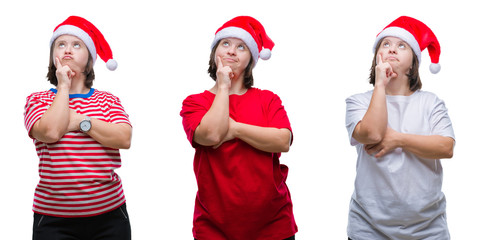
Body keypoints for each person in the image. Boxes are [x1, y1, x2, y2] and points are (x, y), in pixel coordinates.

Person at [180, 16, 297, 240]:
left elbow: (282, 140)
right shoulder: (195, 102)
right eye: (225, 44)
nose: (232, 51)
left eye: (241, 46)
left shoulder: (267, 99)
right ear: (214, 54)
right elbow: (212, 134)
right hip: (214, 228)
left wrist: (234, 129)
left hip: (273, 225)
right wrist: (223, 85)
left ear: (251, 59)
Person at [345, 16, 455, 239]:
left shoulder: (431, 103)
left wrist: (397, 139)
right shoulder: (358, 101)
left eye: (401, 45)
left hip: (428, 229)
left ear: (414, 62)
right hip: (368, 228)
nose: (392, 49)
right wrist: (380, 84)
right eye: (386, 44)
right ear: (376, 57)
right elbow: (373, 134)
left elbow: (446, 147)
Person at [24, 16, 132, 240]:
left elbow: (124, 138)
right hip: (53, 219)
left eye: (76, 45)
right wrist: (63, 84)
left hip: (110, 215)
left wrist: (83, 122)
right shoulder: (38, 100)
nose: (67, 50)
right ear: (53, 56)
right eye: (61, 44)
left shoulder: (108, 101)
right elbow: (51, 132)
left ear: (90, 60)